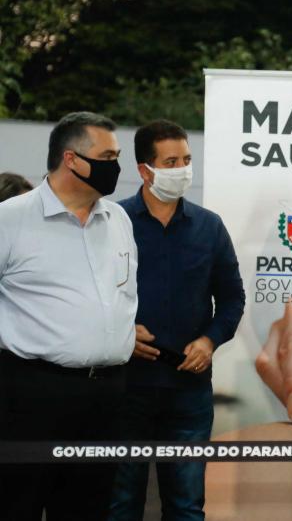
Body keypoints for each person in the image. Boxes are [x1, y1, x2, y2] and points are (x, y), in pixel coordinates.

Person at [0, 112, 137, 521]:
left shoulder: (119, 220)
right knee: (16, 504)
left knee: (88, 509)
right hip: (30, 393)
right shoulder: (10, 218)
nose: (116, 166)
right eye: (108, 155)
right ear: (72, 159)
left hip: (107, 395)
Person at [108, 120, 245, 520]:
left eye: (186, 159)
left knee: (186, 506)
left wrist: (209, 341)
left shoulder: (209, 226)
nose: (182, 169)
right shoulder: (112, 222)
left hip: (189, 390)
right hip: (126, 385)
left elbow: (233, 298)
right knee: (121, 503)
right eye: (171, 161)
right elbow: (90, 297)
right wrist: (119, 333)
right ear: (144, 170)